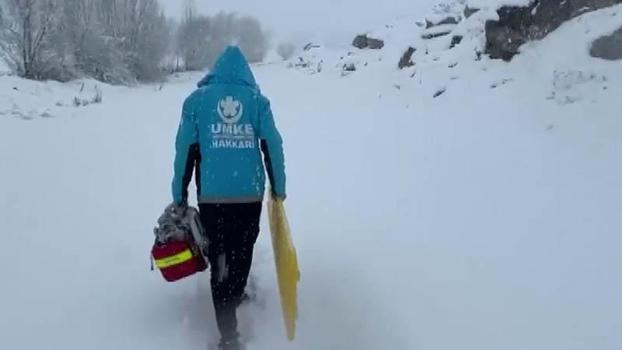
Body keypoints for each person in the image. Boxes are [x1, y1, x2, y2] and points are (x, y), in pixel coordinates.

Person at [171, 46, 286, 350]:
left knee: (220, 253)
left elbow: (185, 150)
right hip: (248, 194)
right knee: (243, 248)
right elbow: (272, 144)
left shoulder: (196, 102)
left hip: (213, 197)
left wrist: (179, 194)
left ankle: (228, 332)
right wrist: (278, 187)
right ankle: (236, 291)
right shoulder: (258, 102)